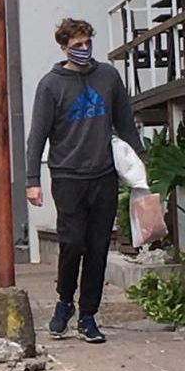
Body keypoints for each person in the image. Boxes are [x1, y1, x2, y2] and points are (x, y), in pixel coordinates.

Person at [26, 18, 147, 344]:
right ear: (64, 47)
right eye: (76, 45)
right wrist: (32, 179)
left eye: (87, 43)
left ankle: (89, 315)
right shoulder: (51, 85)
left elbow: (125, 123)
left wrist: (142, 163)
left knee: (97, 248)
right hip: (67, 175)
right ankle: (65, 301)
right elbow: (37, 134)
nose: (83, 50)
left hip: (103, 174)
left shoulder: (107, 77)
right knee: (72, 243)